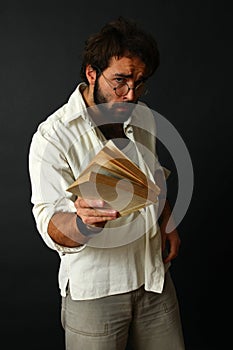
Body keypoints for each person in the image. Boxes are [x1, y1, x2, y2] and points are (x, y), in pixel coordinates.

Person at [28, 16, 185, 350]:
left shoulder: (141, 116)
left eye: (140, 82)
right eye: (120, 81)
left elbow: (151, 174)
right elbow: (50, 222)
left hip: (154, 282)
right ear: (91, 73)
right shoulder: (52, 137)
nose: (130, 94)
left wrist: (167, 219)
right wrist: (81, 223)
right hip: (96, 293)